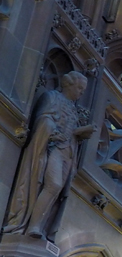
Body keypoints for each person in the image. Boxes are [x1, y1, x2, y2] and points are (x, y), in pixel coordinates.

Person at [4, 71, 94, 240]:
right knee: (53, 184)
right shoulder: (52, 97)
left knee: (57, 190)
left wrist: (79, 133)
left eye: (83, 90)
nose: (81, 92)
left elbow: (68, 130)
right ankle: (33, 225)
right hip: (52, 148)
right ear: (69, 84)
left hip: (67, 152)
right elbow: (42, 120)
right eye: (80, 88)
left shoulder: (74, 110)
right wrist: (51, 131)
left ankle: (39, 225)